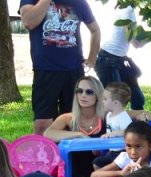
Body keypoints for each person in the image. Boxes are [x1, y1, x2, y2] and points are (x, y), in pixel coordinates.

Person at [20, 0, 101, 135]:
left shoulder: (79, 3)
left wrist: (92, 57)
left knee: (72, 120)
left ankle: (69, 155)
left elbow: (95, 29)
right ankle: (45, 155)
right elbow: (29, 22)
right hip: (45, 70)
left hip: (74, 70)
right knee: (42, 124)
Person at [42, 76, 106, 177]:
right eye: (79, 91)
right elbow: (48, 134)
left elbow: (142, 113)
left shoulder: (106, 116)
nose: (83, 95)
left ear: (98, 95)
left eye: (89, 92)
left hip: (103, 172)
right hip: (76, 175)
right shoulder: (68, 118)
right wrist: (79, 135)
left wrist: (143, 115)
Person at [94, 3, 145, 110]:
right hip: (108, 60)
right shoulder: (127, 10)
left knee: (137, 98)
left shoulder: (129, 10)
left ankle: (136, 125)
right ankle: (107, 125)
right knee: (115, 102)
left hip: (119, 59)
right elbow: (134, 42)